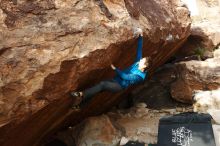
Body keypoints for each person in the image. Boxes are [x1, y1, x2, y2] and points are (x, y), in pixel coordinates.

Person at [70, 28, 149, 108]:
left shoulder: (140, 77)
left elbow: (126, 77)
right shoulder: (138, 63)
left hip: (119, 86)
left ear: (145, 65)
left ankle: (81, 94)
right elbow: (139, 49)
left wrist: (115, 69)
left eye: (143, 60)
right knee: (97, 88)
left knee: (102, 84)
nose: (141, 60)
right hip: (115, 79)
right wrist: (141, 36)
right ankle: (80, 106)